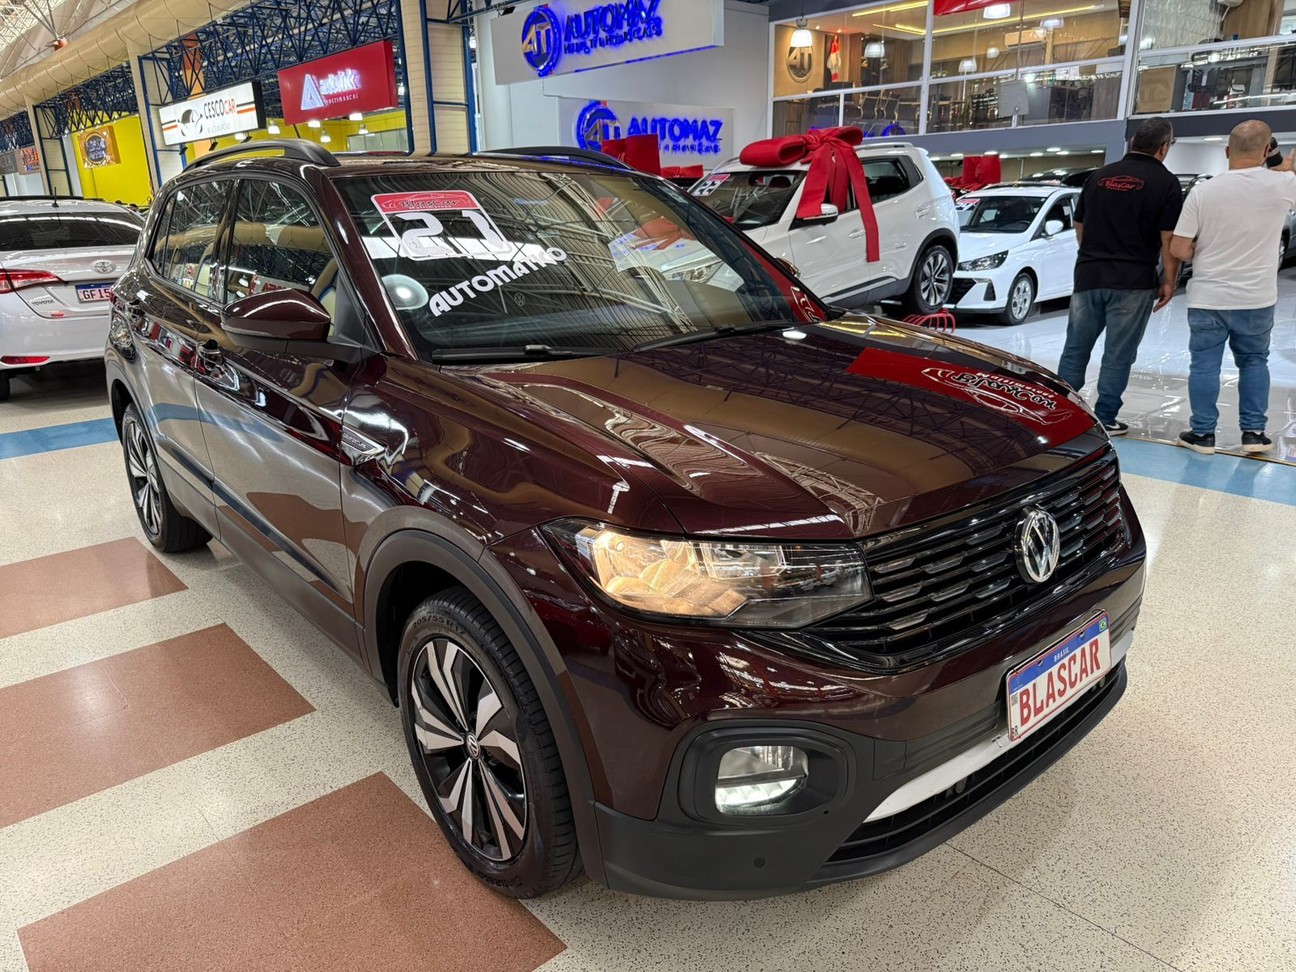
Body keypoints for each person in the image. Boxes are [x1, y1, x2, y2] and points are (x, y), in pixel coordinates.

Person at [1169, 120, 1293, 455]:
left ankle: (1202, 434)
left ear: (1226, 151)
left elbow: (1178, 248)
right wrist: (1280, 165)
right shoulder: (1284, 185)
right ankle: (1254, 434)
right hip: (1257, 297)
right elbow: (1285, 173)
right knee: (1254, 362)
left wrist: (1204, 251)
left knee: (1204, 365)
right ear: (1266, 150)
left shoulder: (1204, 190)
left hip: (1208, 295)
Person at [1056, 117, 1183, 435]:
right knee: (1118, 353)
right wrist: (1170, 280)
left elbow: (1080, 225)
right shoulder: (1166, 183)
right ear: (1163, 148)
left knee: (1075, 347)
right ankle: (1105, 418)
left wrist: (1092, 257)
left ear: (1134, 143)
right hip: (1133, 281)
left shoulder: (1099, 176)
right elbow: (1168, 238)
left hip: (1089, 276)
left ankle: (1062, 412)